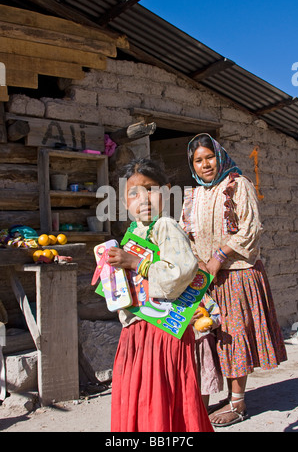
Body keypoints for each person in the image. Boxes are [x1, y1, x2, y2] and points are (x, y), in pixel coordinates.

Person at [180, 133, 287, 427]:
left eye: (209, 157)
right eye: (198, 160)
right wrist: (197, 261)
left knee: (234, 338)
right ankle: (213, 395)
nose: (205, 165)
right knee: (209, 339)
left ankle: (238, 403)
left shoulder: (238, 184)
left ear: (220, 156)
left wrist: (217, 256)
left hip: (237, 275)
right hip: (206, 279)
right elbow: (184, 233)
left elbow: (250, 229)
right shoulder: (193, 195)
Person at [107, 158, 214, 433]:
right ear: (123, 202)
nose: (142, 198)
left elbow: (181, 270)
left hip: (163, 333)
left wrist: (135, 263)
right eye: (133, 193)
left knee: (159, 395)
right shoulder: (135, 232)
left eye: (150, 189)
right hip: (139, 329)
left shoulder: (165, 225)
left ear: (166, 192)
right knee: (143, 394)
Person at [191, 291, 223, 411]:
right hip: (182, 344)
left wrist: (210, 323)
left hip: (201, 341)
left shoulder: (200, 293)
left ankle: (203, 410)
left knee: (203, 378)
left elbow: (216, 313)